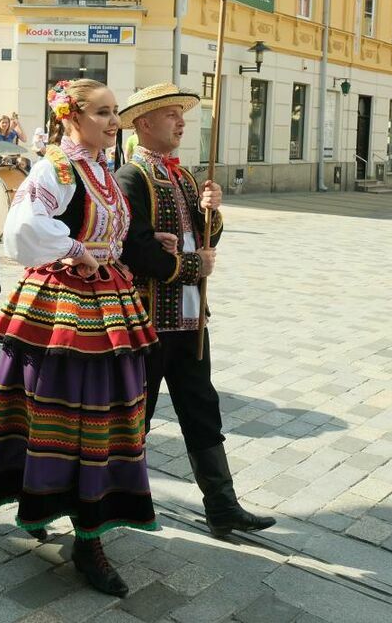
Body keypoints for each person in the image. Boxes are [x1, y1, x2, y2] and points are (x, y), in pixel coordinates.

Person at [0, 79, 156, 597]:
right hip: (65, 304)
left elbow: (106, 230)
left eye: (116, 113)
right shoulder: (57, 168)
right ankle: (73, 524)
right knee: (58, 410)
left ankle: (74, 511)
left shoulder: (102, 170)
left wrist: (127, 242)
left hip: (108, 299)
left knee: (104, 411)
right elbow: (22, 227)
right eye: (103, 113)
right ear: (72, 117)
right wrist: (74, 246)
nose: (115, 122)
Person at [115, 82, 275, 539]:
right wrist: (191, 265)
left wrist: (213, 213)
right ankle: (117, 503)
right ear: (144, 123)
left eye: (181, 114)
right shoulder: (132, 177)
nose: (181, 121)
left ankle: (223, 507)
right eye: (170, 114)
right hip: (147, 322)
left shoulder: (184, 177)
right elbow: (136, 251)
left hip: (191, 320)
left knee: (203, 409)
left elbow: (207, 240)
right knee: (135, 417)